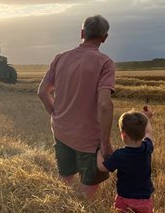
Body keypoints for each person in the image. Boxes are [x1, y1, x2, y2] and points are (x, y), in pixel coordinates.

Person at [38, 15, 115, 200]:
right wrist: (105, 144)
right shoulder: (105, 63)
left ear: (82, 33)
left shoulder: (61, 58)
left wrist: (56, 114)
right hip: (89, 139)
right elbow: (104, 104)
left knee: (63, 180)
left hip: (61, 131)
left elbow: (42, 92)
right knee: (88, 190)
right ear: (105, 37)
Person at [97, 107, 155, 213]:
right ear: (142, 132)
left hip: (125, 200)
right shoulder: (147, 148)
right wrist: (146, 118)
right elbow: (149, 132)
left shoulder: (119, 155)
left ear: (123, 135)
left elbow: (102, 167)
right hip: (144, 200)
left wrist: (98, 151)